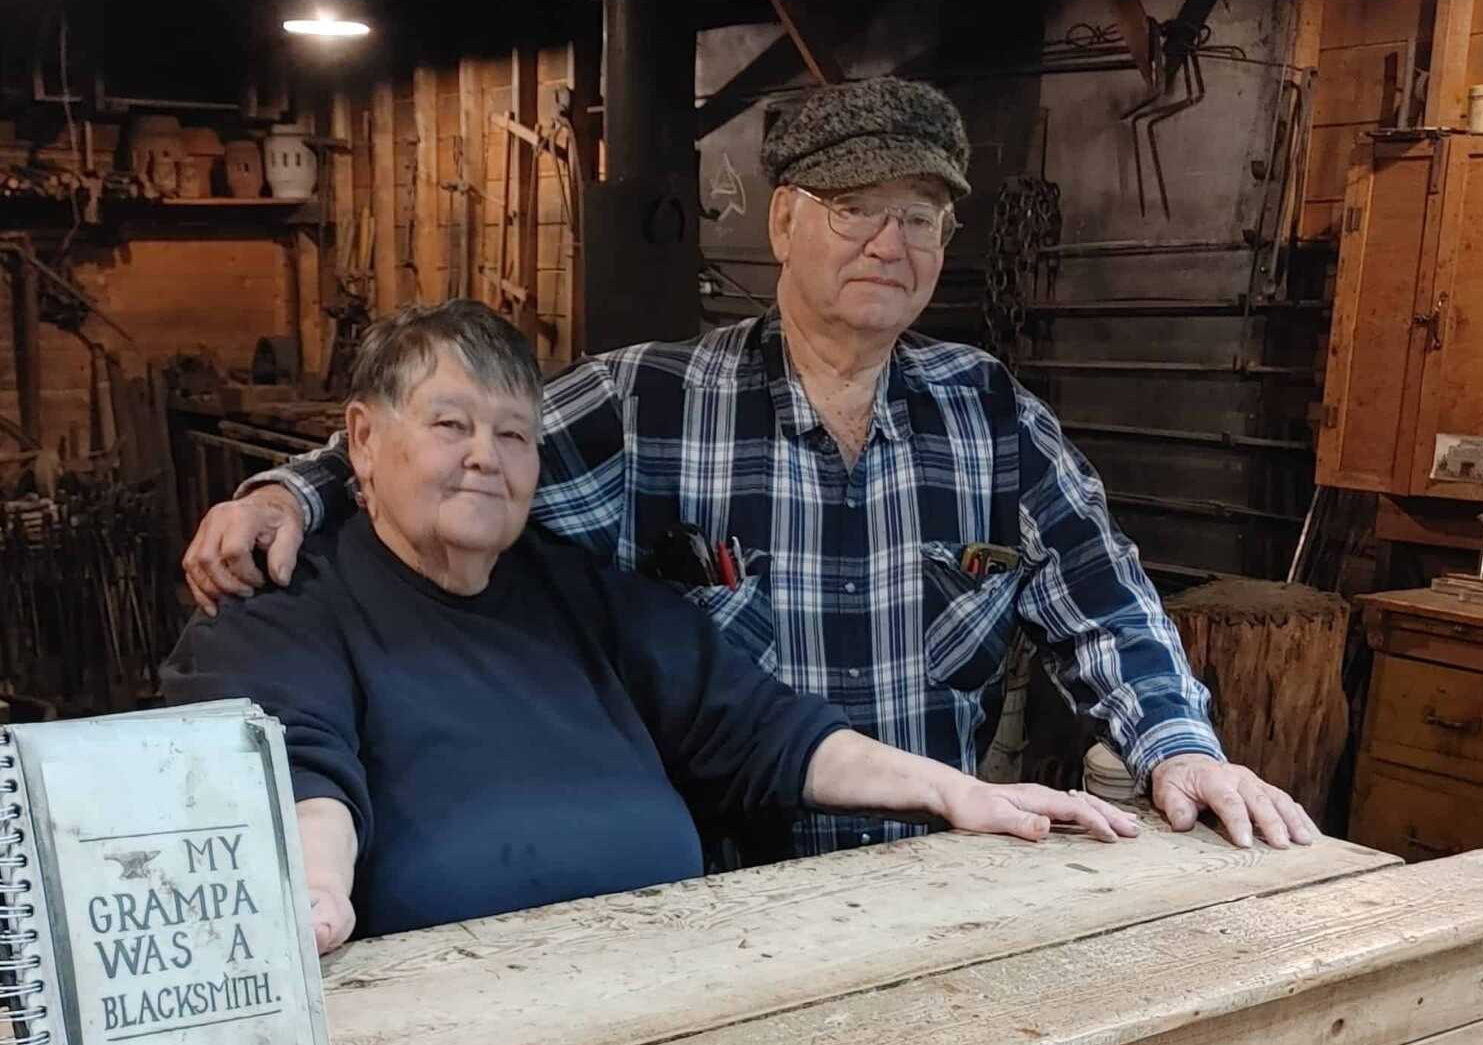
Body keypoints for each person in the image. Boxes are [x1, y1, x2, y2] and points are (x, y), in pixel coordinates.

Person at [182, 77, 1316, 856]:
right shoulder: (649, 403)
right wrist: (295, 487)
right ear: (782, 221)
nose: (891, 243)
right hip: (724, 895)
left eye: (920, 218)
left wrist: (1179, 747)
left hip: (951, 871)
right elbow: (458, 452)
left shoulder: (991, 415)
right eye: (856, 209)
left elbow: (1108, 604)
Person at [163, 302, 1137, 951]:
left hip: (665, 1014)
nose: (486, 459)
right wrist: (314, 896)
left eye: (512, 435)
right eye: (449, 427)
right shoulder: (281, 610)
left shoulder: (579, 593)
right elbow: (301, 771)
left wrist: (960, 793)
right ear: (363, 443)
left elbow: (761, 726)